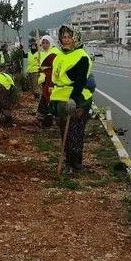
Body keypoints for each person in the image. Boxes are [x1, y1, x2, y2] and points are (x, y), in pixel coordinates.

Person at [50, 25, 93, 174]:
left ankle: (74, 163)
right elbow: (56, 80)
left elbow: (81, 80)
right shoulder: (59, 56)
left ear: (75, 38)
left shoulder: (81, 56)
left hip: (78, 99)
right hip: (61, 98)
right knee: (65, 132)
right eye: (63, 37)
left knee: (74, 132)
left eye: (69, 37)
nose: (66, 40)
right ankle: (70, 160)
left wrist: (73, 99)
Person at [36, 35, 61, 128]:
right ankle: (46, 120)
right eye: (43, 43)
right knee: (46, 99)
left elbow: (55, 69)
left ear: (51, 43)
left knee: (49, 99)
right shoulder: (45, 52)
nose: (45, 45)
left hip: (51, 81)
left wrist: (46, 73)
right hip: (46, 80)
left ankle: (49, 120)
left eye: (47, 43)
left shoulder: (54, 53)